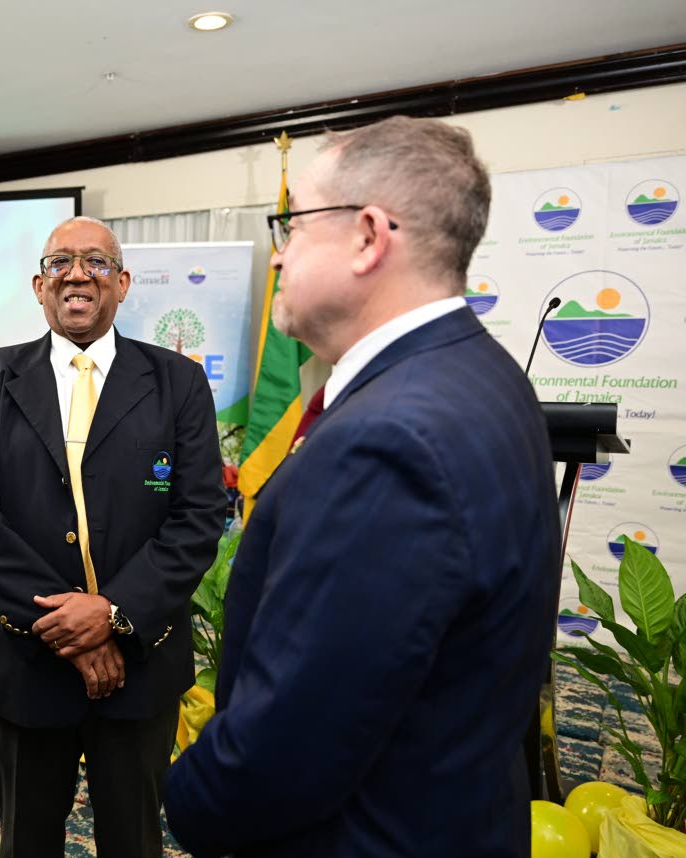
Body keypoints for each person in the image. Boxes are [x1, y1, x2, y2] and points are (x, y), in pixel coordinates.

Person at [163, 117, 561, 857]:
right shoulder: (483, 374)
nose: (277, 255)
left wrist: (183, 797)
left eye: (293, 225)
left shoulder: (388, 440)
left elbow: (293, 744)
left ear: (369, 236)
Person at [0, 216, 226, 857]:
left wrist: (114, 615)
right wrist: (70, 623)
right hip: (25, 660)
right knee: (28, 840)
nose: (76, 273)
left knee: (134, 839)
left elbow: (199, 514)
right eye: (59, 261)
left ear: (122, 284)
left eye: (95, 262)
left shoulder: (179, 382)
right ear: (38, 285)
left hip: (140, 661)